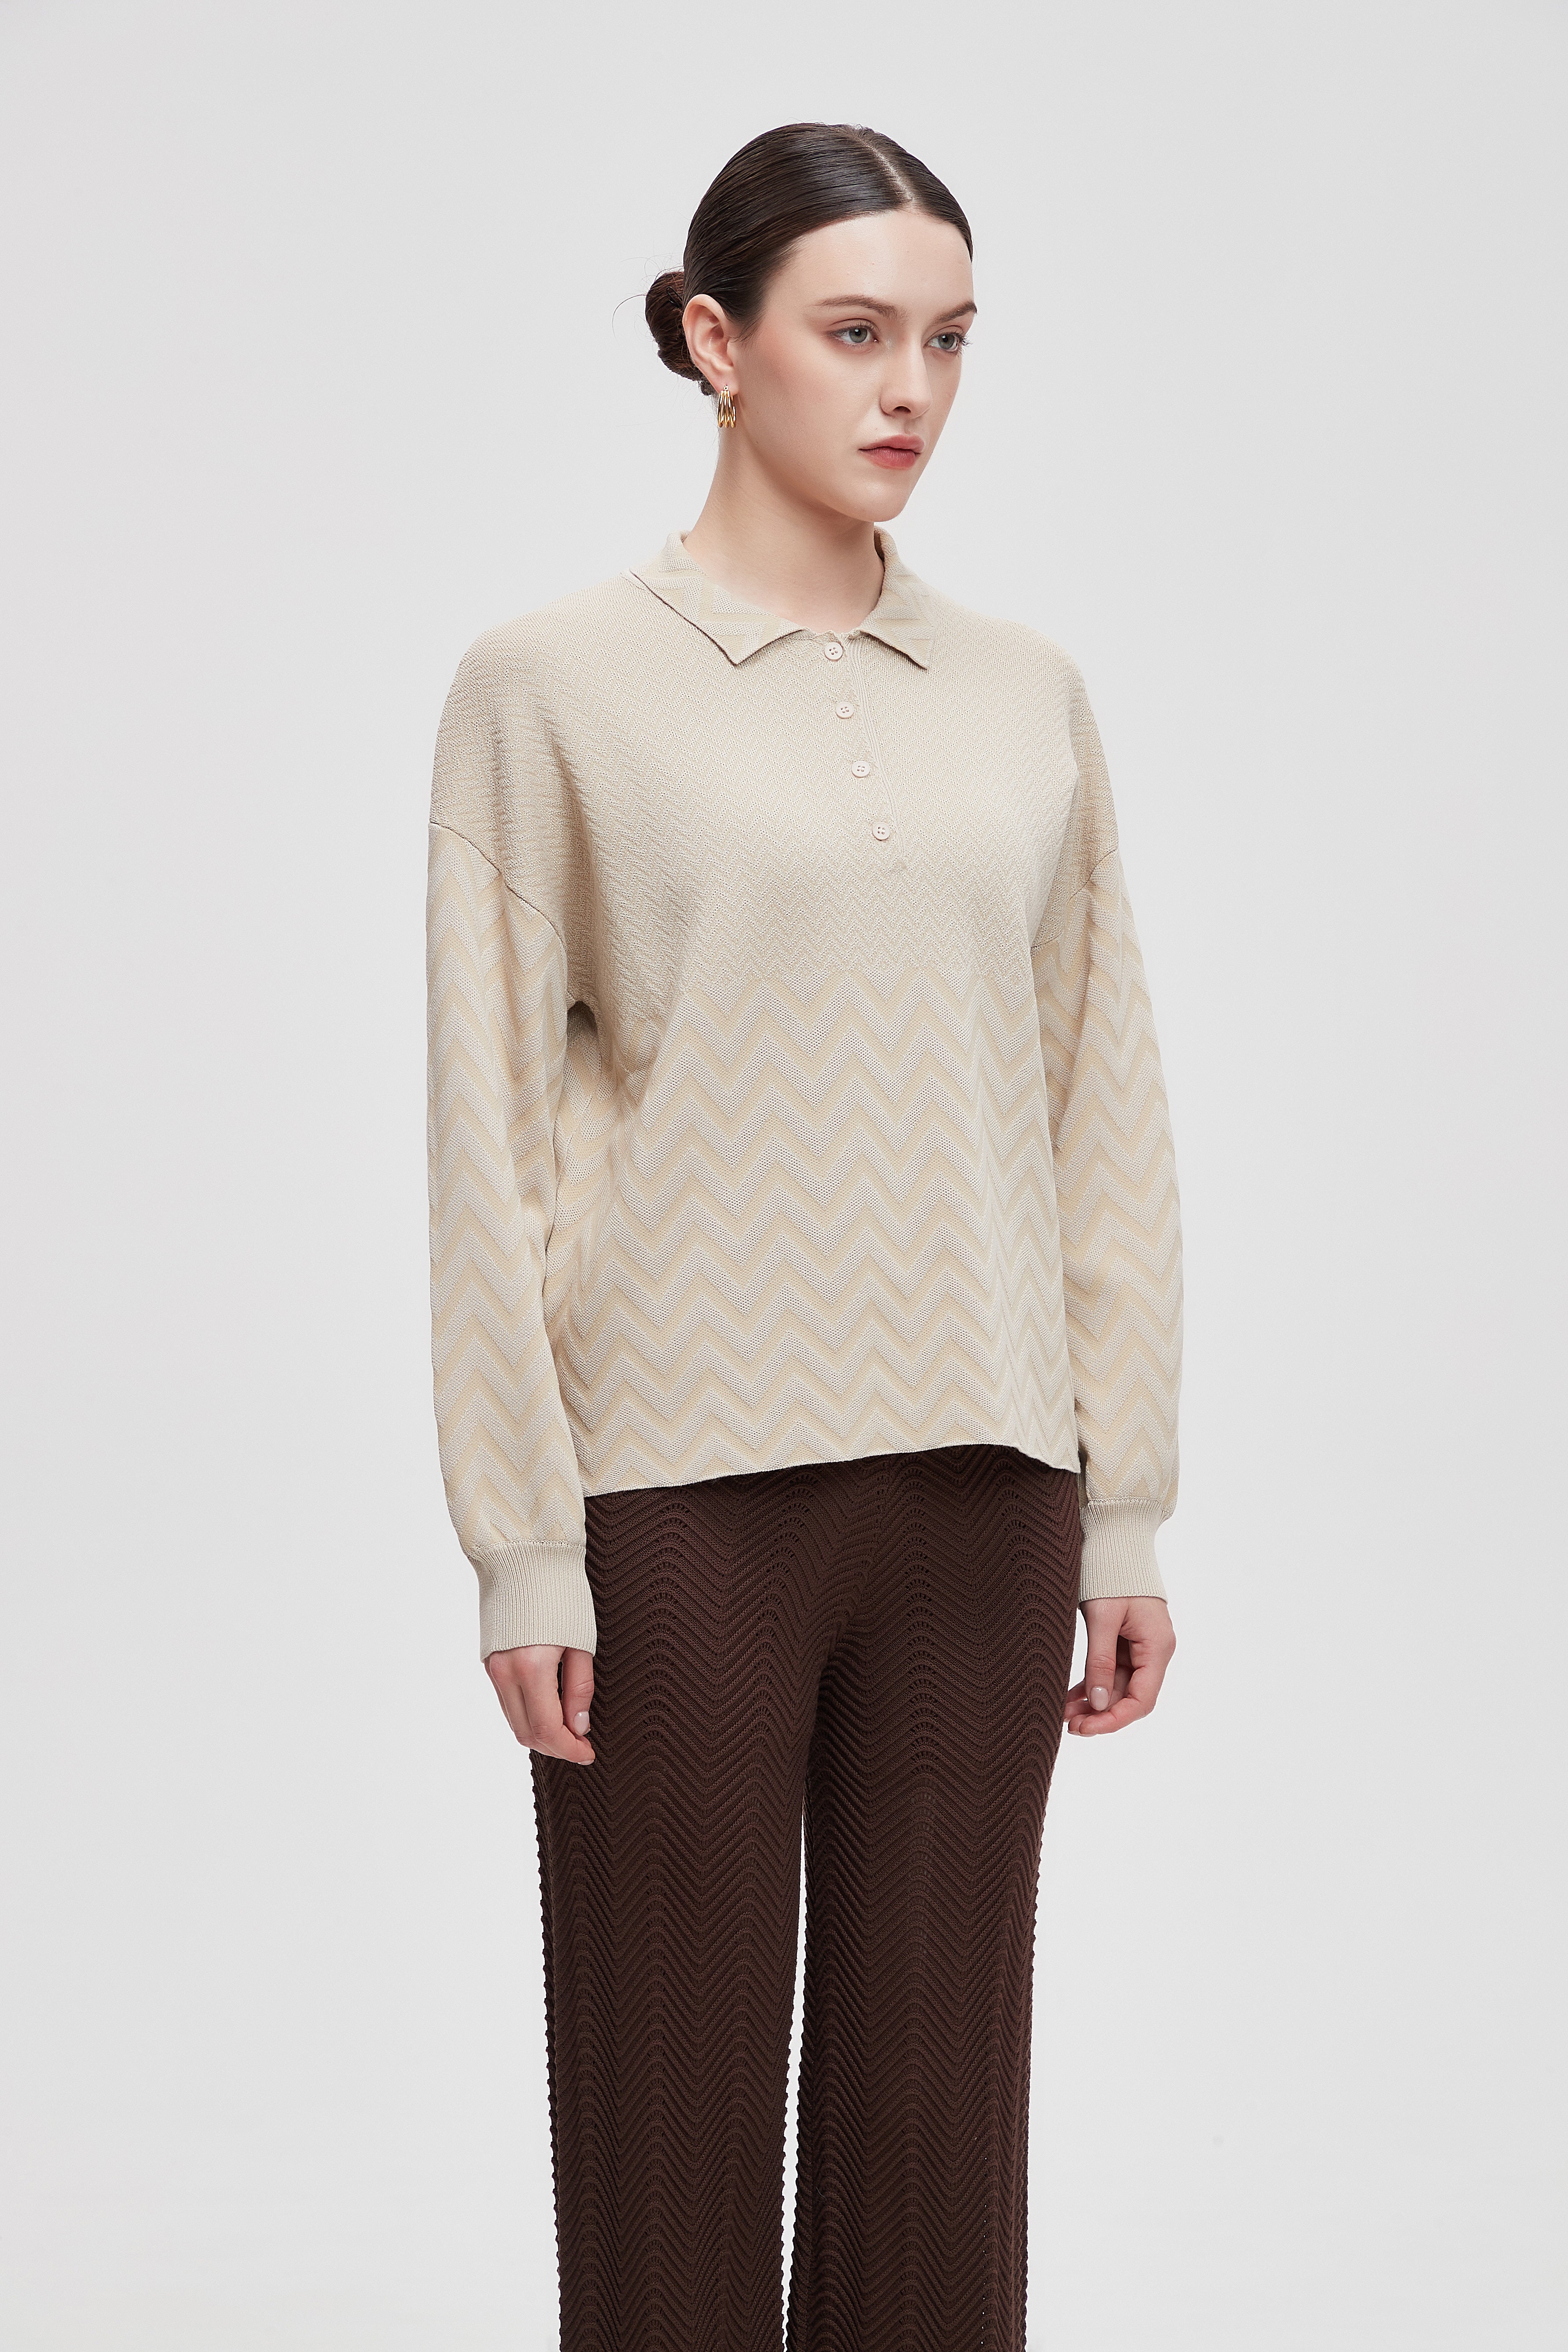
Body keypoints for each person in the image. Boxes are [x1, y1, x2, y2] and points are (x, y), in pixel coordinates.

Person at [425, 120, 1182, 2352]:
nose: (910, 389)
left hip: (987, 1486)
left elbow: (1100, 1100)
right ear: (713, 339)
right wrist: (524, 1542)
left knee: (938, 2167)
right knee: (666, 2142)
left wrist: (1123, 1502)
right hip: (681, 1502)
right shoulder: (550, 685)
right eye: (855, 332)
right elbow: (487, 1134)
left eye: (949, 339)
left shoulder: (1026, 692)